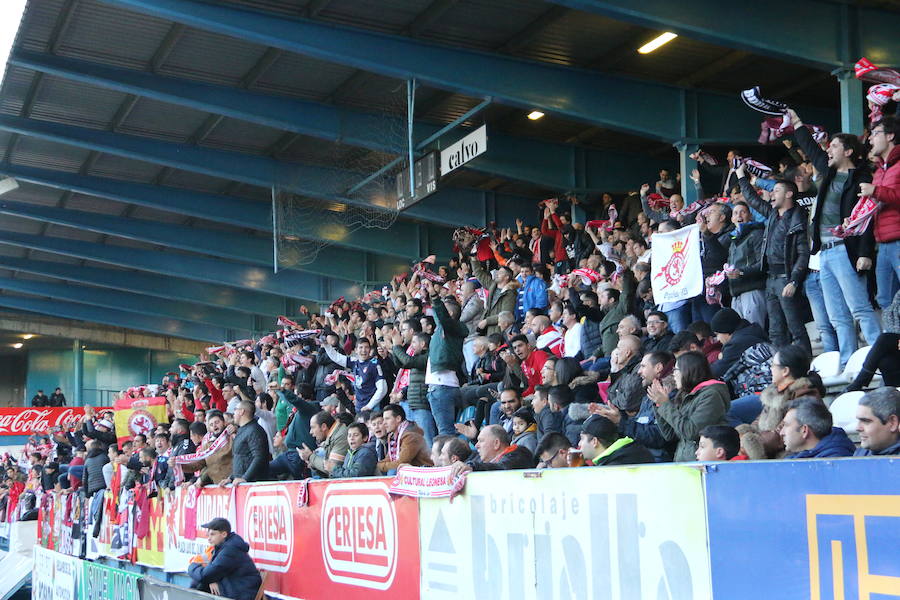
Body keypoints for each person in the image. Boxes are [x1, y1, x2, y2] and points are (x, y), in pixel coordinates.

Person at [790, 109, 880, 367]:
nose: (828, 150)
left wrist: (864, 252)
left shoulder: (861, 178)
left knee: (860, 308)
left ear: (849, 152)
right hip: (824, 253)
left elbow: (867, 218)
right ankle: (848, 362)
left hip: (845, 250)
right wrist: (797, 123)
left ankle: (878, 359)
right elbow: (812, 149)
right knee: (837, 316)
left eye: (835, 146)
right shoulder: (827, 174)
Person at [736, 164, 812, 353]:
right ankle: (780, 367)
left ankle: (805, 367)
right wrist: (740, 176)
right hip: (770, 279)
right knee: (776, 330)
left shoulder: (797, 217)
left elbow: (803, 253)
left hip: (786, 278)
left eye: (776, 190)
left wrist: (794, 281)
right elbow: (753, 200)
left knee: (796, 328)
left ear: (789, 195)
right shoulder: (771, 215)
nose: (771, 193)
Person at [650, 351, 731, 462]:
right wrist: (659, 403)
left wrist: (665, 405)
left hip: (702, 465)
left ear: (688, 371)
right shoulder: (686, 395)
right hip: (684, 462)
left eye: (676, 370)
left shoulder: (711, 396)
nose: (673, 374)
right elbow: (669, 434)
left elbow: (690, 431)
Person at [727, 344, 822, 429]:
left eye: (773, 365)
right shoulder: (776, 392)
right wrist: (749, 433)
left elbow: (781, 434)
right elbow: (760, 422)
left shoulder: (802, 396)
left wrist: (749, 442)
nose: (770, 368)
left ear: (785, 371)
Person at [863, 116, 900, 309]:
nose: (870, 139)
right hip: (883, 244)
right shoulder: (878, 171)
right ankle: (894, 339)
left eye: (875, 134)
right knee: (885, 300)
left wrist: (876, 192)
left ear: (890, 136)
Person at [424, 285, 469, 437]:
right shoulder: (443, 330)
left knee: (446, 433)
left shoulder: (451, 327)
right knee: (450, 431)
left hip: (442, 387)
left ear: (448, 313)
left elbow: (442, 317)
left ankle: (449, 460)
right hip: (444, 386)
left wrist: (435, 296)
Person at [188, 518, 261, 600]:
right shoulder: (223, 546)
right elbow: (211, 572)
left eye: (212, 534)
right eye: (208, 535)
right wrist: (211, 579)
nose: (209, 538)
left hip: (241, 593)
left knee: (201, 581)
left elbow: (205, 575)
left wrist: (192, 566)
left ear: (224, 534)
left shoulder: (230, 550)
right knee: (200, 583)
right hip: (231, 588)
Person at [725, 202, 766, 329]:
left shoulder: (756, 234)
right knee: (740, 332)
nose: (739, 215)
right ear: (732, 219)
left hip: (752, 290)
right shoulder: (733, 239)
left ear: (750, 216)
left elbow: (763, 263)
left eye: (743, 212)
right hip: (736, 292)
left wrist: (741, 272)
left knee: (753, 330)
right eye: (735, 213)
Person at [324, 337, 387, 413]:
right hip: (359, 407)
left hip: (372, 408)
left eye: (366, 347)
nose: (363, 350)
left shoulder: (374, 364)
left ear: (370, 350)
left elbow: (383, 388)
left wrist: (370, 406)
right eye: (361, 347)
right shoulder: (355, 362)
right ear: (356, 350)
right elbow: (336, 357)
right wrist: (325, 344)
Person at [781, 397, 855, 458]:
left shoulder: (833, 462)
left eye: (786, 425)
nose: (781, 433)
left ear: (804, 430)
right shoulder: (798, 457)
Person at [710, 308, 768, 378]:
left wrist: (720, 359)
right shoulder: (751, 330)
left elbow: (716, 371)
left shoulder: (736, 344)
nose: (718, 339)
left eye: (717, 334)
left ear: (725, 329)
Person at [224, 401, 270, 485]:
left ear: (242, 411)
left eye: (235, 410)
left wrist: (245, 478)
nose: (233, 413)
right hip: (242, 483)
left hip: (253, 484)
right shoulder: (242, 429)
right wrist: (231, 478)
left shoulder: (254, 431)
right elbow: (241, 458)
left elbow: (259, 457)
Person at [578, 415, 654, 466]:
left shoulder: (612, 469)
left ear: (594, 441)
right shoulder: (630, 452)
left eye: (582, 439)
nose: (579, 444)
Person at [377, 404, 433, 474]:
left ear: (398, 419)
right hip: (411, 473)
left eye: (387, 419)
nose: (384, 423)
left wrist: (379, 465)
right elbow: (389, 459)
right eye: (384, 419)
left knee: (393, 471)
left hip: (424, 473)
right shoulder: (393, 435)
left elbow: (401, 463)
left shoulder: (411, 435)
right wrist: (378, 465)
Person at [454, 425, 535, 472]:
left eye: (481, 441)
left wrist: (473, 467)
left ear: (496, 443)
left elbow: (501, 468)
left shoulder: (518, 455)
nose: (476, 446)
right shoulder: (485, 459)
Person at [300, 411, 348, 478]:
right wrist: (312, 464)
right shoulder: (334, 435)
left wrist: (310, 456)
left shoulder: (340, 436)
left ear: (323, 427)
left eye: (313, 427)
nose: (311, 432)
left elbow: (332, 469)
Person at [854, 387, 900, 456]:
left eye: (866, 421)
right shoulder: (860, 454)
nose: (857, 428)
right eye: (859, 421)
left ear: (893, 423)